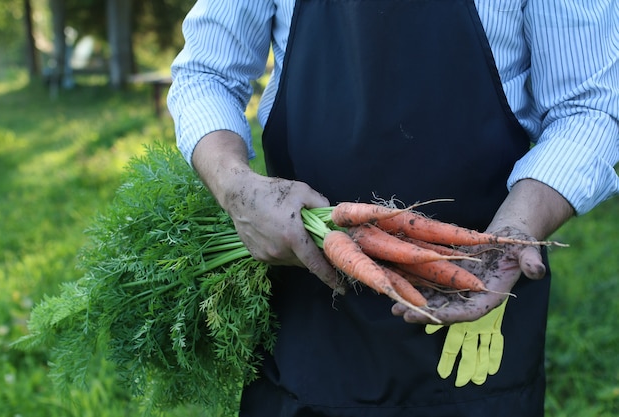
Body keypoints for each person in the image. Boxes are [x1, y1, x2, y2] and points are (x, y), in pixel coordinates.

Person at [167, 1, 619, 416]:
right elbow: (206, 73)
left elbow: (590, 107)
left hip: (475, 291)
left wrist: (517, 226)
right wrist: (236, 187)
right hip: (306, 311)